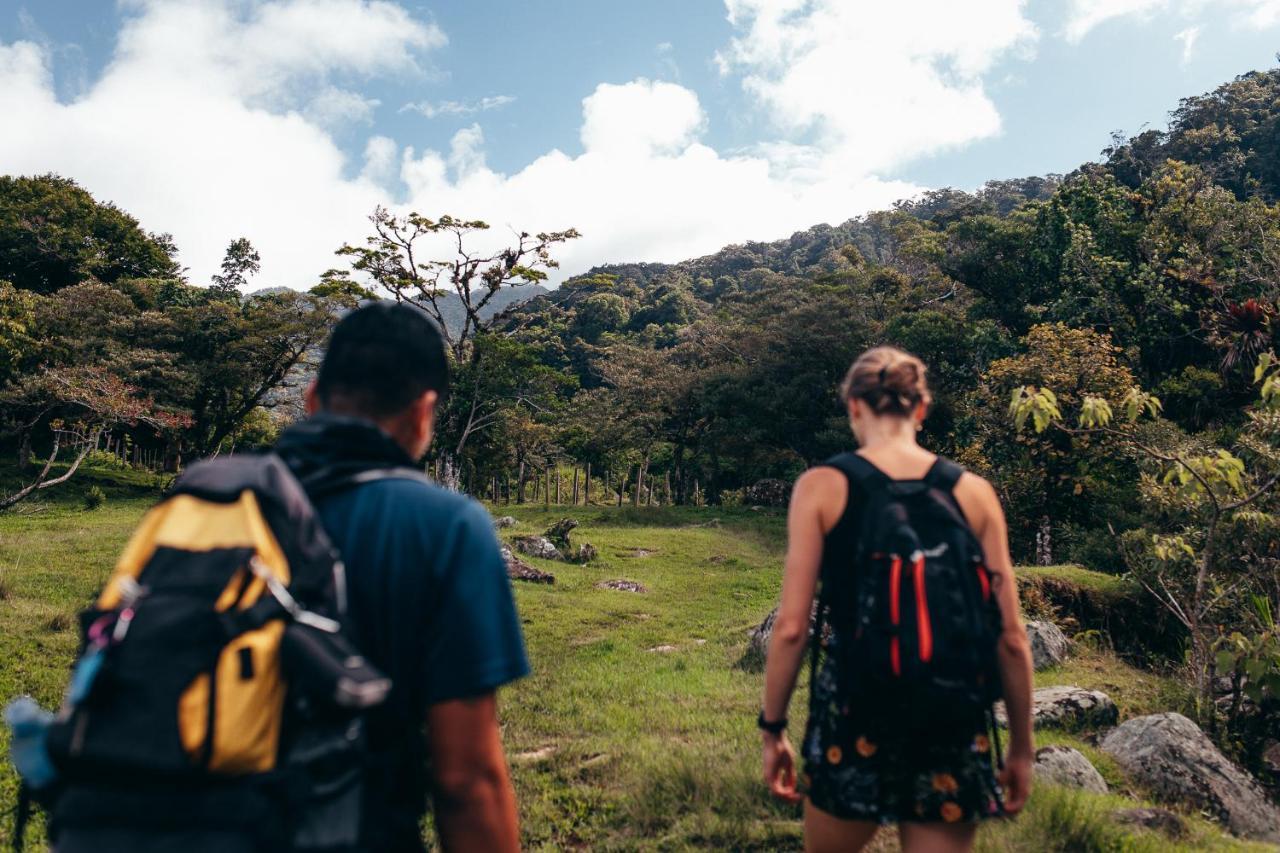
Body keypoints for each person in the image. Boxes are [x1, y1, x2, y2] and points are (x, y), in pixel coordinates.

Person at [759, 346, 1034, 853]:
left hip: (856, 708)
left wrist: (773, 729)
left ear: (855, 408)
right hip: (953, 717)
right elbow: (1011, 637)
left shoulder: (823, 487)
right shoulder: (974, 493)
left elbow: (793, 627)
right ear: (921, 409)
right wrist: (1021, 747)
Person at [275, 302, 529, 852]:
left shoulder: (208, 501)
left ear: (311, 399)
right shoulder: (446, 527)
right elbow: (465, 780)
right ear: (423, 414)